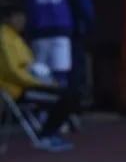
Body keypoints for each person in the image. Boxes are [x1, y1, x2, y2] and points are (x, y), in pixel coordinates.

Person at [0, 8, 76, 151]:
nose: (23, 21)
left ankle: (48, 133)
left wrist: (44, 79)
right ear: (9, 18)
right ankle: (45, 136)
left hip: (29, 83)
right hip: (17, 89)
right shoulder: (4, 39)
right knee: (64, 96)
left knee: (67, 93)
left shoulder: (15, 37)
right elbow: (13, 72)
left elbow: (30, 64)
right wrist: (39, 83)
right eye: (19, 17)